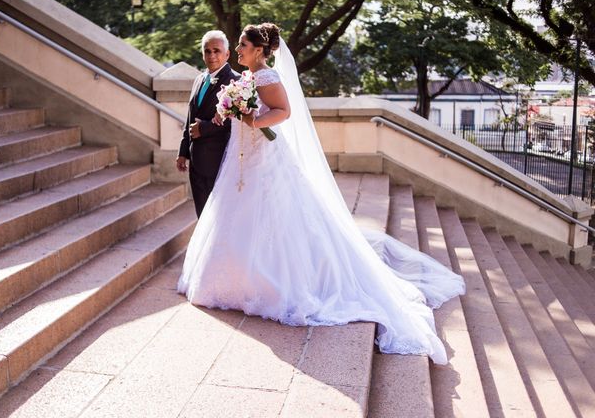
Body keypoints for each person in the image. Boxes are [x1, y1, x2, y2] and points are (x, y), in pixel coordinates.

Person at [178, 23, 465, 364]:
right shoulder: (245, 79)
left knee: (272, 217)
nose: (237, 50)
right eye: (238, 45)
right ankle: (233, 280)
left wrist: (252, 119)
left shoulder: (267, 78)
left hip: (265, 160)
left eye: (241, 45)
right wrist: (235, 111)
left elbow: (283, 112)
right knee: (235, 214)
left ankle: (267, 284)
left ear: (258, 50)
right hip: (242, 158)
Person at [176, 30, 240, 217]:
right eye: (207, 51)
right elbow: (190, 115)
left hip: (218, 160)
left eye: (217, 51)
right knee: (202, 215)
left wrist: (203, 129)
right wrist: (183, 151)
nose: (212, 55)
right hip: (196, 161)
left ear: (227, 54)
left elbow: (236, 121)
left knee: (217, 216)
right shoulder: (198, 79)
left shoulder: (235, 81)